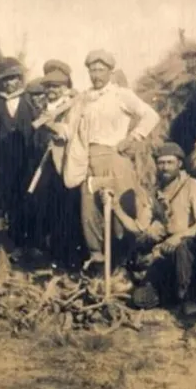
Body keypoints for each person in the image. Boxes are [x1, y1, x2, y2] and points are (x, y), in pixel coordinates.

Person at [61, 49, 159, 274]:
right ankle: (98, 262)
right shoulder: (83, 99)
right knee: (90, 210)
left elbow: (150, 115)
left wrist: (132, 138)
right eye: (92, 70)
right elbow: (71, 129)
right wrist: (55, 128)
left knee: (119, 211)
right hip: (89, 161)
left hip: (115, 159)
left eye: (100, 70)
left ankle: (123, 266)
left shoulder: (120, 95)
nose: (96, 75)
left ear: (109, 71)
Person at [129, 142, 196, 316]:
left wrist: (178, 237)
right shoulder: (156, 192)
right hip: (167, 250)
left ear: (179, 164)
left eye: (170, 162)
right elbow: (142, 227)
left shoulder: (194, 186)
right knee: (140, 299)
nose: (165, 168)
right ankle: (170, 295)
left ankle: (189, 298)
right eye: (161, 163)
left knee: (183, 247)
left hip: (193, 251)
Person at [0, 57, 40, 265]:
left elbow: (37, 130)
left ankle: (24, 244)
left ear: (20, 79)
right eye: (7, 80)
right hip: (3, 161)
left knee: (22, 202)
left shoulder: (28, 102)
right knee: (2, 201)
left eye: (14, 79)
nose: (10, 83)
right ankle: (3, 247)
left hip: (25, 161)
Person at [30, 66, 86, 269]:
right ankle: (50, 255)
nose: (51, 90)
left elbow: (66, 134)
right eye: (48, 86)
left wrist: (50, 124)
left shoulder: (73, 106)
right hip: (47, 165)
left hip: (67, 164)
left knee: (68, 210)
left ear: (65, 87)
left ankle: (69, 257)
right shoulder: (46, 107)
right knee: (47, 209)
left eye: (56, 86)